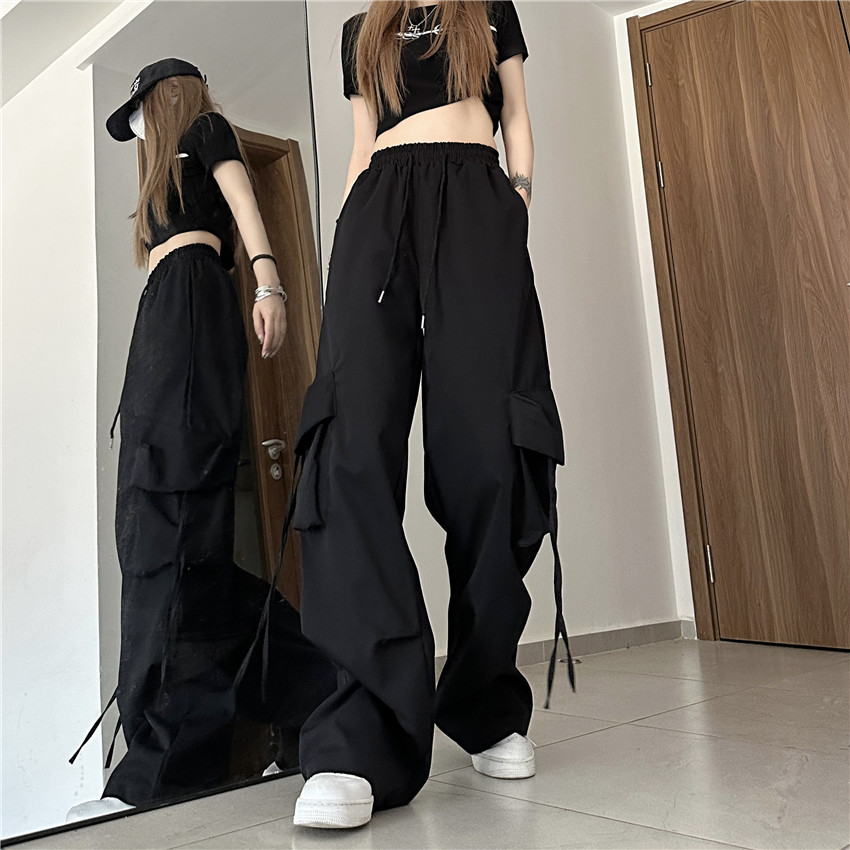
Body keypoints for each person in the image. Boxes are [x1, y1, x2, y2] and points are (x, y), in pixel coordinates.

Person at [283, 1, 575, 829]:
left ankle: (485, 700)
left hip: (478, 200)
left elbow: (515, 116)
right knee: (347, 446)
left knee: (490, 447)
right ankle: (359, 735)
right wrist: (346, 253)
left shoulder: (487, 9)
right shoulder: (361, 30)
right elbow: (361, 145)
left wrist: (515, 207)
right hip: (376, 210)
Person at [66, 58, 335, 822]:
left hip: (191, 315)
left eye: (143, 115)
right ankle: (322, 695)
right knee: (181, 557)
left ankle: (159, 775)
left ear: (165, 100)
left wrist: (269, 282)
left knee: (176, 544)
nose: (141, 133)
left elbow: (245, 200)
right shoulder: (161, 198)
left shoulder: (206, 130)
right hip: (165, 320)